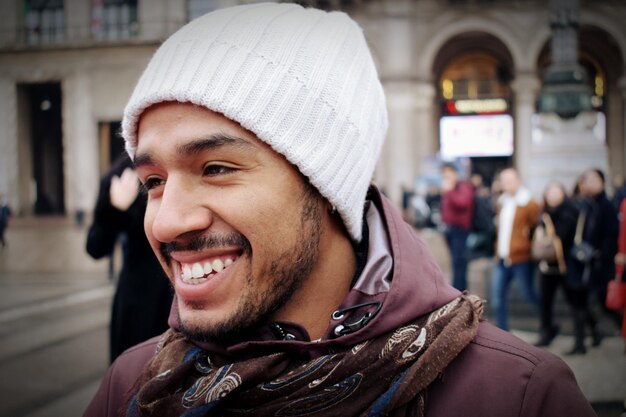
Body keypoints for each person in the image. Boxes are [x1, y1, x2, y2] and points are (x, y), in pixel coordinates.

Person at [84, 4, 595, 416]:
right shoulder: (133, 386)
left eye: (217, 168)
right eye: (153, 181)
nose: (168, 220)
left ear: (329, 185)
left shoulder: (518, 396)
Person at [86, 153, 173, 362]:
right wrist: (116, 209)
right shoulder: (121, 177)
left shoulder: (181, 165)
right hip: (140, 298)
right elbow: (95, 247)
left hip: (183, 289)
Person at [566, 168, 619, 354]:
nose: (588, 182)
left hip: (599, 264)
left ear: (602, 181)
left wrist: (600, 256)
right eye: (585, 179)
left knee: (605, 302)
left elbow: (612, 236)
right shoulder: (583, 205)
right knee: (579, 302)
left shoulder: (606, 205)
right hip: (581, 262)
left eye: (592, 179)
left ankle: (612, 329)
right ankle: (581, 342)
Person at [491, 167, 540, 330]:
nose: (506, 184)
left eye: (509, 180)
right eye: (503, 181)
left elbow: (535, 227)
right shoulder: (502, 202)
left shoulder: (529, 203)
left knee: (528, 294)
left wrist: (526, 243)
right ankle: (502, 331)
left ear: (519, 181)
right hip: (502, 257)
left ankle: (548, 322)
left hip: (521, 257)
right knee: (497, 298)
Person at [533, 181, 579, 348]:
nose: (552, 195)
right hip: (547, 264)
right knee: (545, 301)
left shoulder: (570, 211)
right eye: (549, 192)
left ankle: (584, 336)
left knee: (574, 301)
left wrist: (548, 232)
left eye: (556, 192)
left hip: (566, 264)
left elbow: (565, 234)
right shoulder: (543, 212)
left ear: (563, 194)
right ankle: (547, 332)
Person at [440, 163, 474, 291]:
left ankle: (459, 290)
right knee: (455, 262)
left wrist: (450, 191)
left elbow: (463, 203)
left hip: (460, 230)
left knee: (459, 262)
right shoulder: (450, 189)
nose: (446, 178)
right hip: (450, 229)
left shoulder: (463, 187)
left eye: (448, 175)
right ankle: (458, 288)